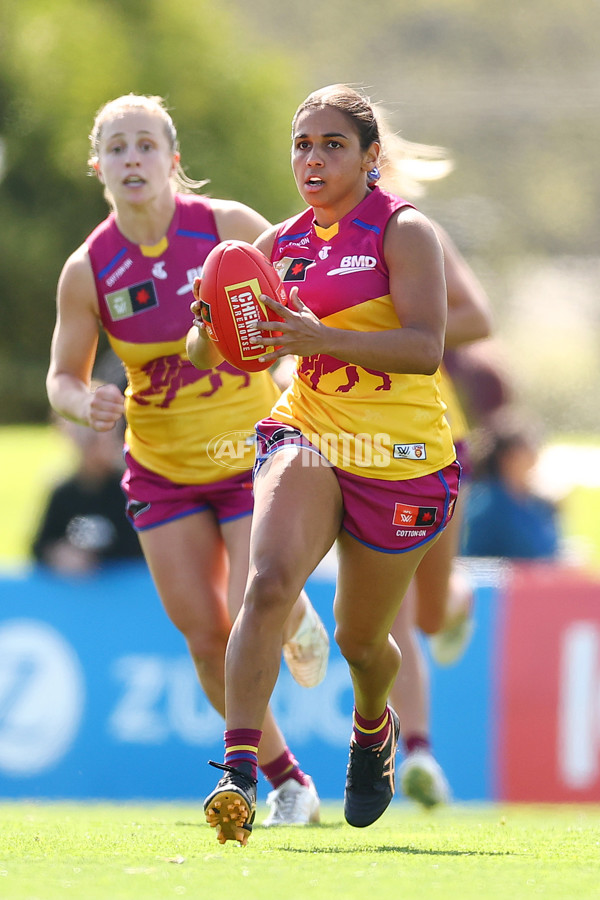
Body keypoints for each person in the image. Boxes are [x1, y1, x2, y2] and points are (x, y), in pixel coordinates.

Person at [45, 93, 330, 826]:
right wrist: (87, 404)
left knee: (247, 605)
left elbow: (303, 291)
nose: (131, 158)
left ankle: (286, 601)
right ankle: (288, 780)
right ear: (98, 167)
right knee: (205, 638)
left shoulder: (229, 231)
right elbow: (62, 379)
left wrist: (299, 360)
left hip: (249, 455)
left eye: (145, 145)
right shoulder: (89, 268)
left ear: (172, 160)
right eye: (116, 148)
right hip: (162, 471)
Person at [202, 83, 461, 845]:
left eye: (332, 145)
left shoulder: (405, 232)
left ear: (371, 157)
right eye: (302, 145)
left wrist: (320, 339)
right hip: (309, 431)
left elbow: (426, 349)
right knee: (270, 577)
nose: (312, 159)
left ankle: (373, 723)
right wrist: (208, 324)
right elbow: (237, 347)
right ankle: (240, 776)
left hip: (404, 460)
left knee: (359, 642)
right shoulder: (277, 245)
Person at [373, 126, 495, 808]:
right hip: (354, 443)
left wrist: (405, 323)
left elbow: (479, 317)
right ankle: (416, 753)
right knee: (386, 609)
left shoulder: (414, 234)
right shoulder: (307, 242)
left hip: (431, 436)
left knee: (424, 611)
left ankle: (456, 602)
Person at [31, 403, 144, 575]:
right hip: (79, 592)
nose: (103, 445)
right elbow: (39, 546)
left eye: (110, 436)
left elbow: (144, 546)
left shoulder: (130, 490)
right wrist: (58, 554)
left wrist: (97, 559)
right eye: (91, 439)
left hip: (126, 588)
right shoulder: (63, 493)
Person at [461, 405, 561, 559]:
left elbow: (550, 549)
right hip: (501, 581)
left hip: (542, 580)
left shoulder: (537, 502)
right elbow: (472, 558)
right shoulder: (483, 503)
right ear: (505, 457)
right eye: (525, 448)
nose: (533, 454)